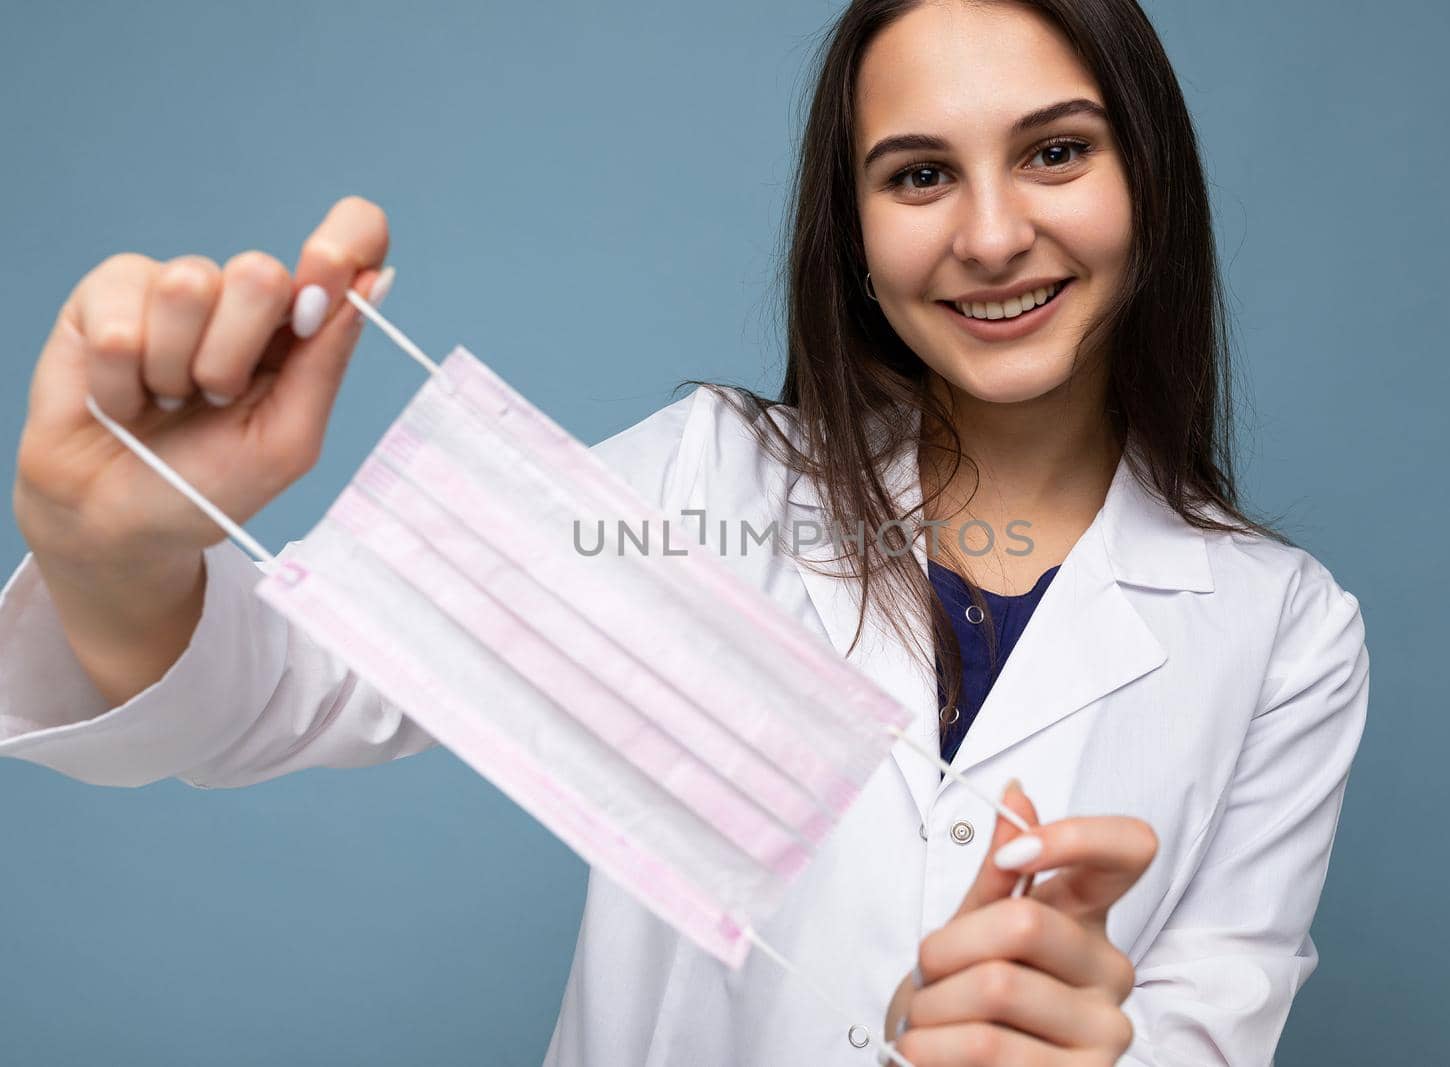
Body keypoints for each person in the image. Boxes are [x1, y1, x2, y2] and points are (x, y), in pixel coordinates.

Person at [0, 1, 1370, 1064]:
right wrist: (115, 551)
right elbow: (296, 687)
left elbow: (1207, 1031)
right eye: (916, 176)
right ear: (853, 228)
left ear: (1151, 178)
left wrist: (1082, 1052)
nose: (993, 233)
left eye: (1056, 151)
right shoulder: (706, 486)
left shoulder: (1282, 629)